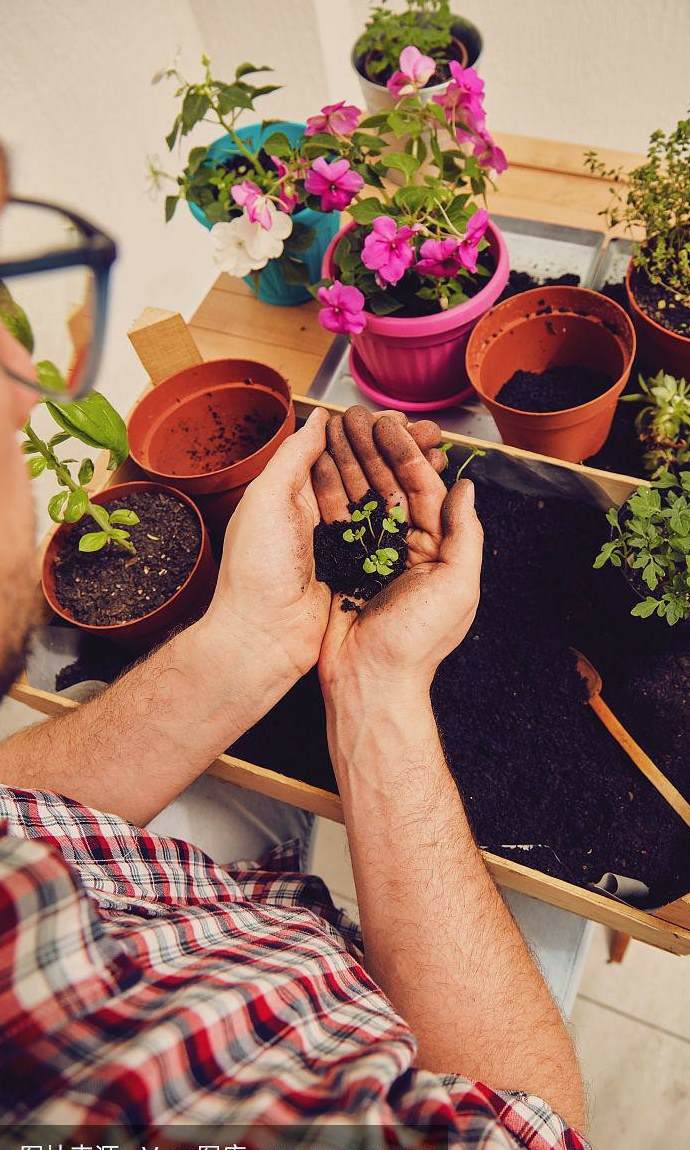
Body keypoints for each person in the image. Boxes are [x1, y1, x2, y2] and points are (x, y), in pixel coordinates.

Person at [0, 146, 588, 1146]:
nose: (29, 397)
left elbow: (17, 819)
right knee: (557, 919)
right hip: (332, 984)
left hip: (192, 901)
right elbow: (526, 1124)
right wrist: (382, 689)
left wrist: (255, 641)